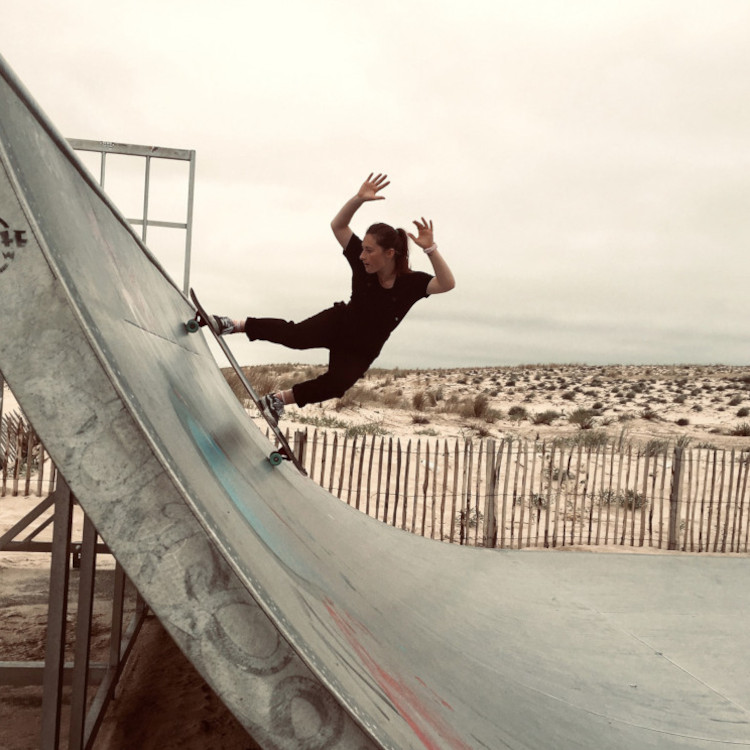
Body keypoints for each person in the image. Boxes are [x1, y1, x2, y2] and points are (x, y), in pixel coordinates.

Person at [208, 173, 456, 422]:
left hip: (362, 350)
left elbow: (447, 284)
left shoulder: (411, 283)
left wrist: (430, 249)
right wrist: (358, 199)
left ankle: (277, 400)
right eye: (362, 249)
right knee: (294, 336)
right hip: (339, 324)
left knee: (336, 385)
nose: (362, 256)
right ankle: (233, 324)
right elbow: (338, 226)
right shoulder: (362, 266)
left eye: (369, 251)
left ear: (389, 253)